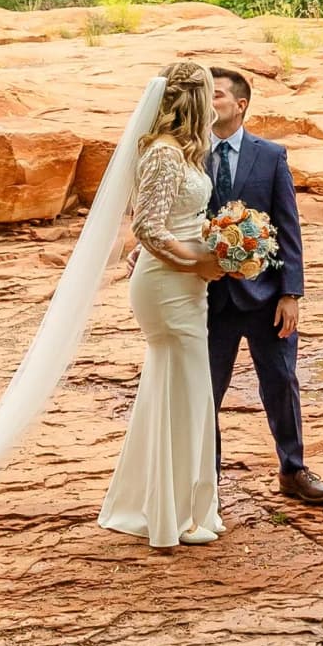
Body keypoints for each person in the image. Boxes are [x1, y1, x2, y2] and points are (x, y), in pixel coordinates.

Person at [98, 59, 229, 549]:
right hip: (166, 285)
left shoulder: (183, 154)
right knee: (186, 389)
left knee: (181, 390)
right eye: (210, 95)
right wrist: (195, 264)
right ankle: (170, 514)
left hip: (186, 284)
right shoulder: (163, 154)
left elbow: (177, 219)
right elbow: (149, 228)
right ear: (195, 100)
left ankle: (176, 506)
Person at [205, 65, 323, 507]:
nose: (209, 102)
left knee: (281, 382)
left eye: (217, 95)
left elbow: (287, 228)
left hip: (266, 299)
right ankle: (207, 485)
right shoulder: (189, 155)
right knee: (205, 391)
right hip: (207, 300)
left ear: (240, 105)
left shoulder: (270, 155)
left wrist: (291, 293)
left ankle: (293, 470)